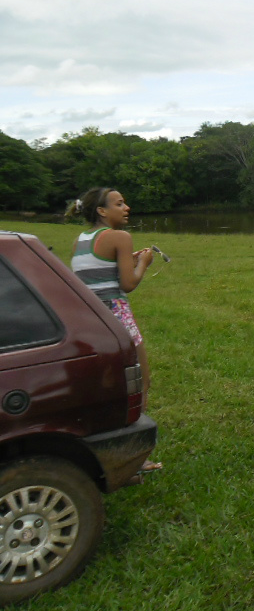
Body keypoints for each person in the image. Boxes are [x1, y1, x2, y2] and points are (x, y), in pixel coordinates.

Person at [67, 186, 162, 478]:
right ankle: (133, 458)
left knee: (107, 385)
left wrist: (125, 262)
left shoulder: (80, 240)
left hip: (89, 319)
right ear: (102, 211)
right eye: (119, 204)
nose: (126, 207)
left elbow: (96, 274)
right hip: (116, 314)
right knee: (140, 381)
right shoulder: (120, 237)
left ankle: (103, 450)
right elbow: (128, 284)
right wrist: (143, 263)